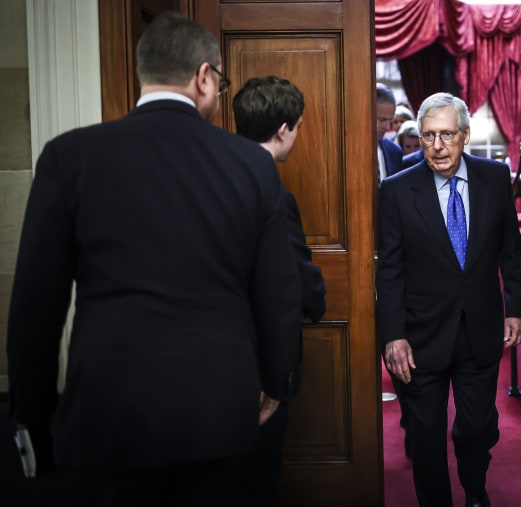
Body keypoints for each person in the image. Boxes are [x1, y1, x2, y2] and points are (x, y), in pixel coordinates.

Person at [6, 12, 303, 506]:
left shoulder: (69, 156)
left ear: (146, 73)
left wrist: (34, 418)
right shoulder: (251, 164)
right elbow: (278, 291)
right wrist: (277, 382)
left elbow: (36, 306)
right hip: (218, 408)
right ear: (204, 76)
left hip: (106, 409)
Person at [376, 92, 521, 507]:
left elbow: (511, 251)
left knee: (476, 430)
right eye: (428, 136)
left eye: (446, 135)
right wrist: (393, 336)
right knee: (425, 440)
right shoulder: (396, 190)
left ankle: (476, 493)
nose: (437, 146)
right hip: (421, 337)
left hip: (480, 329)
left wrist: (516, 307)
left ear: (464, 135)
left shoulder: (494, 179)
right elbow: (389, 269)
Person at [231, 75, 327, 506]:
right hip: (255, 366)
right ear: (285, 129)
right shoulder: (272, 191)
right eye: (300, 127)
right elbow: (288, 284)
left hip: (205, 362)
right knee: (257, 483)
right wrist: (277, 379)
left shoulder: (213, 176)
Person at [377, 83, 403, 184]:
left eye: (390, 121)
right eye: (382, 119)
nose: (387, 127)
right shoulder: (346, 152)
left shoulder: (394, 151)